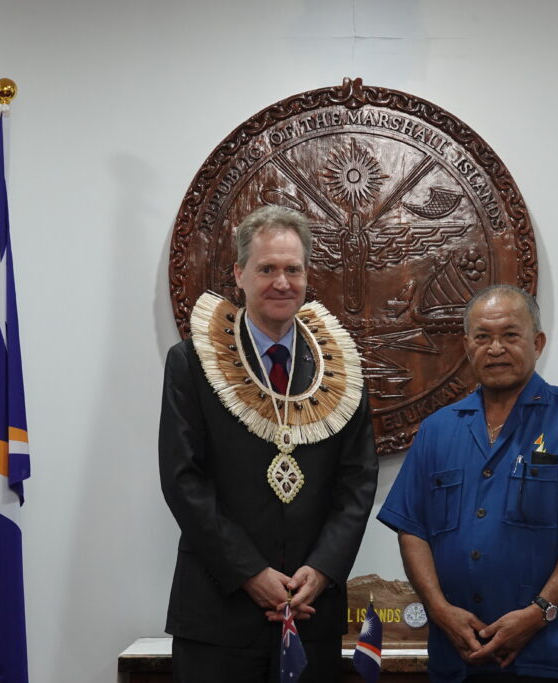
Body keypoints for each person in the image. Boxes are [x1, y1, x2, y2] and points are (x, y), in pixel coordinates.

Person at [159, 205, 378, 682]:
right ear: (239, 274)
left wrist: (320, 571)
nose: (282, 282)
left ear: (306, 275)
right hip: (218, 616)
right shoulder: (191, 363)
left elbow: (358, 482)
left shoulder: (342, 366)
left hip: (311, 614)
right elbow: (183, 480)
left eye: (292, 269)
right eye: (267, 269)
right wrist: (249, 573)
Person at [378, 284, 558, 683]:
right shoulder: (437, 430)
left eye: (510, 335)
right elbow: (412, 529)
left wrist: (538, 612)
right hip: (459, 655)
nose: (495, 349)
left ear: (537, 342)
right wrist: (439, 611)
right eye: (483, 337)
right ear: (466, 345)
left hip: (551, 655)